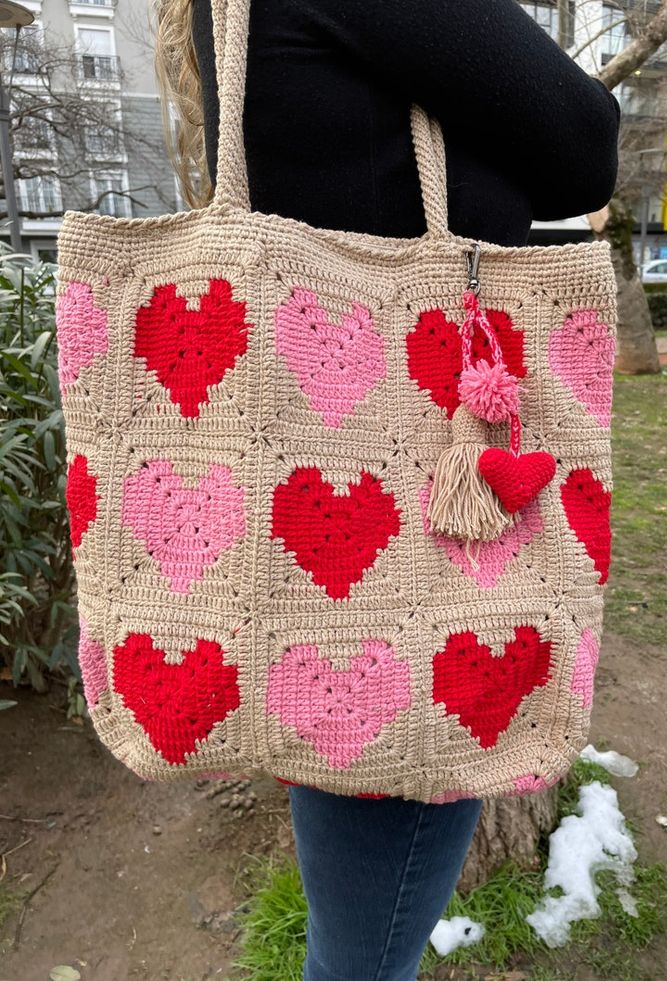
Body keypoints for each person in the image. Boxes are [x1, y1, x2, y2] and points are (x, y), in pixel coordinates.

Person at [154, 2, 621, 978]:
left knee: (354, 925)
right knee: (365, 955)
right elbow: (583, 142)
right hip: (411, 507)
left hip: (336, 508)